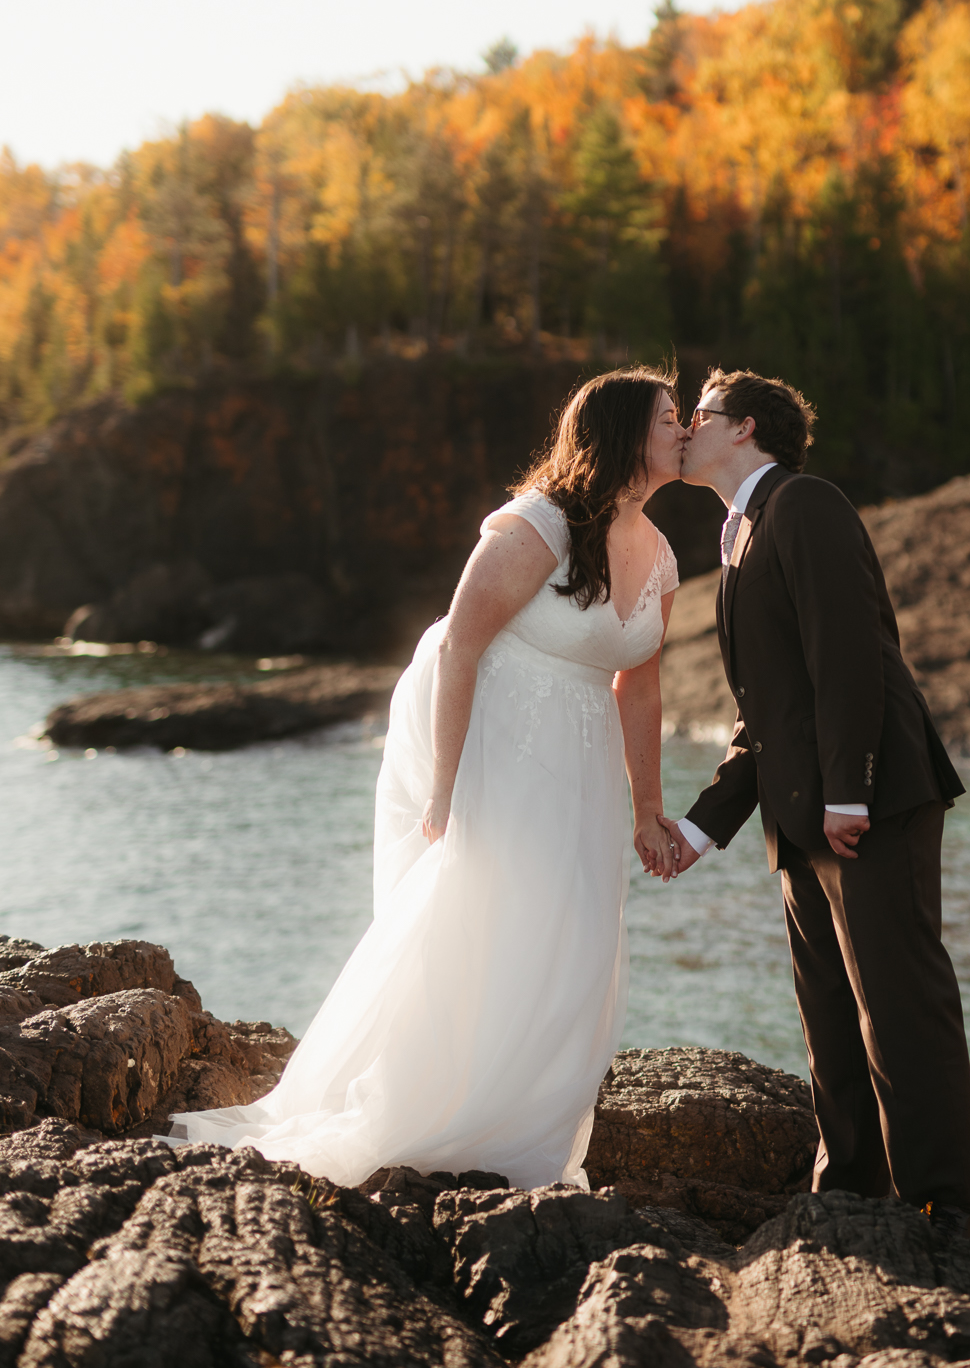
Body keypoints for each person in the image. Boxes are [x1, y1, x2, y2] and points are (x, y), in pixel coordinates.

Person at [169, 368, 688, 1190]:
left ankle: (529, 1126)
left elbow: (641, 682)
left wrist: (648, 807)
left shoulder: (659, 553)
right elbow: (458, 646)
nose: (685, 428)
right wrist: (446, 785)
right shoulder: (537, 523)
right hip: (497, 744)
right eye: (669, 417)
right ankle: (435, 1110)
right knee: (484, 915)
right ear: (625, 432)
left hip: (582, 765)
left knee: (578, 930)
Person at [660, 369, 970, 1247]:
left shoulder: (804, 503)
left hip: (867, 801)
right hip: (803, 811)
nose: (685, 429)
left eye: (699, 416)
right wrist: (700, 827)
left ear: (747, 429)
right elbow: (767, 712)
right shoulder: (738, 532)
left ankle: (948, 1211)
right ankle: (850, 1191)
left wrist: (851, 789)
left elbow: (845, 654)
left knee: (899, 1002)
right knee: (832, 1012)